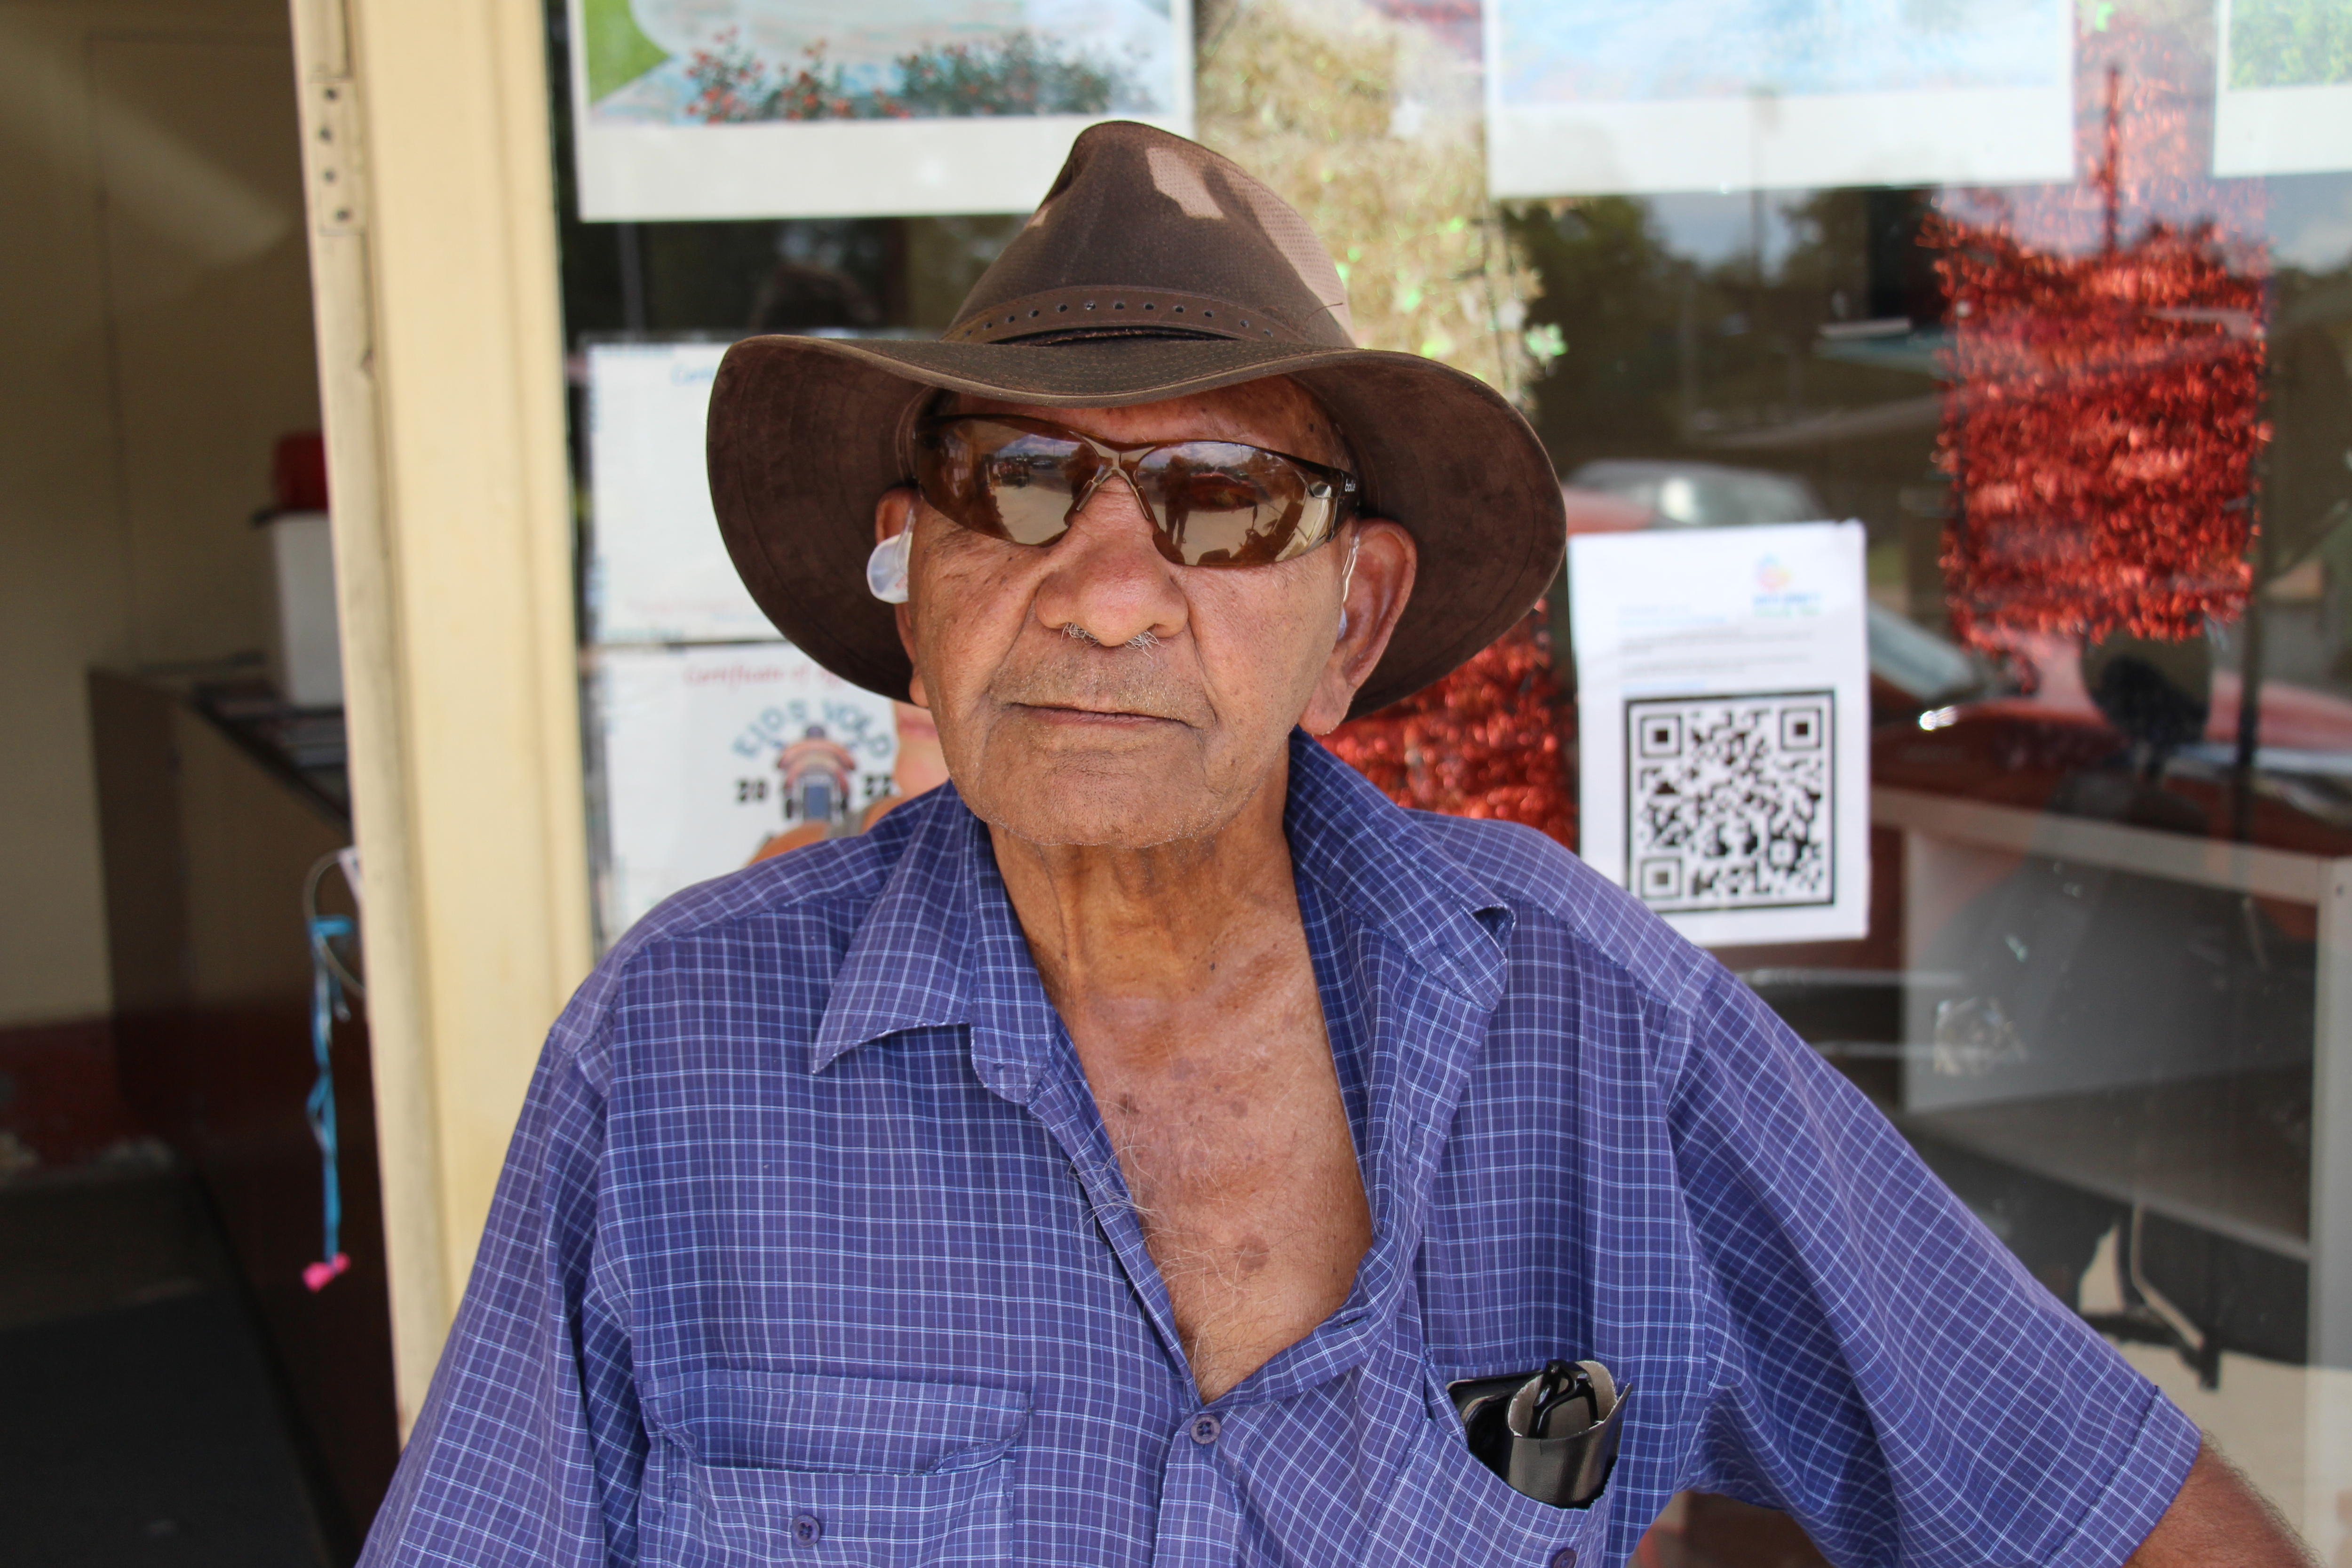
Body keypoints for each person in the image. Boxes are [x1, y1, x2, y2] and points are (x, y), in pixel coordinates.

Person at [360, 124, 2306, 1568]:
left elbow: (2099, 1506)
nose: (1103, 595)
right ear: (916, 571)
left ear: (1350, 621)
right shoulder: (674, 1061)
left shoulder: (1583, 1025)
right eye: (1013, 481)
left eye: (1220, 502)